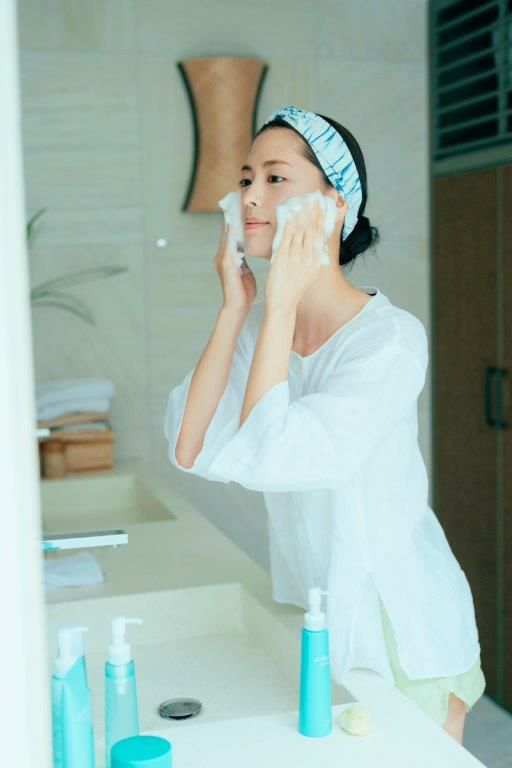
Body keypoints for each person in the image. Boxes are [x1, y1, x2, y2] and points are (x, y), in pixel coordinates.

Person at [164, 106, 486, 744]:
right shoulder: (262, 330)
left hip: (403, 628)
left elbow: (277, 456)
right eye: (246, 178)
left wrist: (281, 298)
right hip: (324, 618)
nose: (249, 196)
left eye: (275, 177)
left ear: (334, 205)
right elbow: (188, 446)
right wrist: (236, 309)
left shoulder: (389, 341)